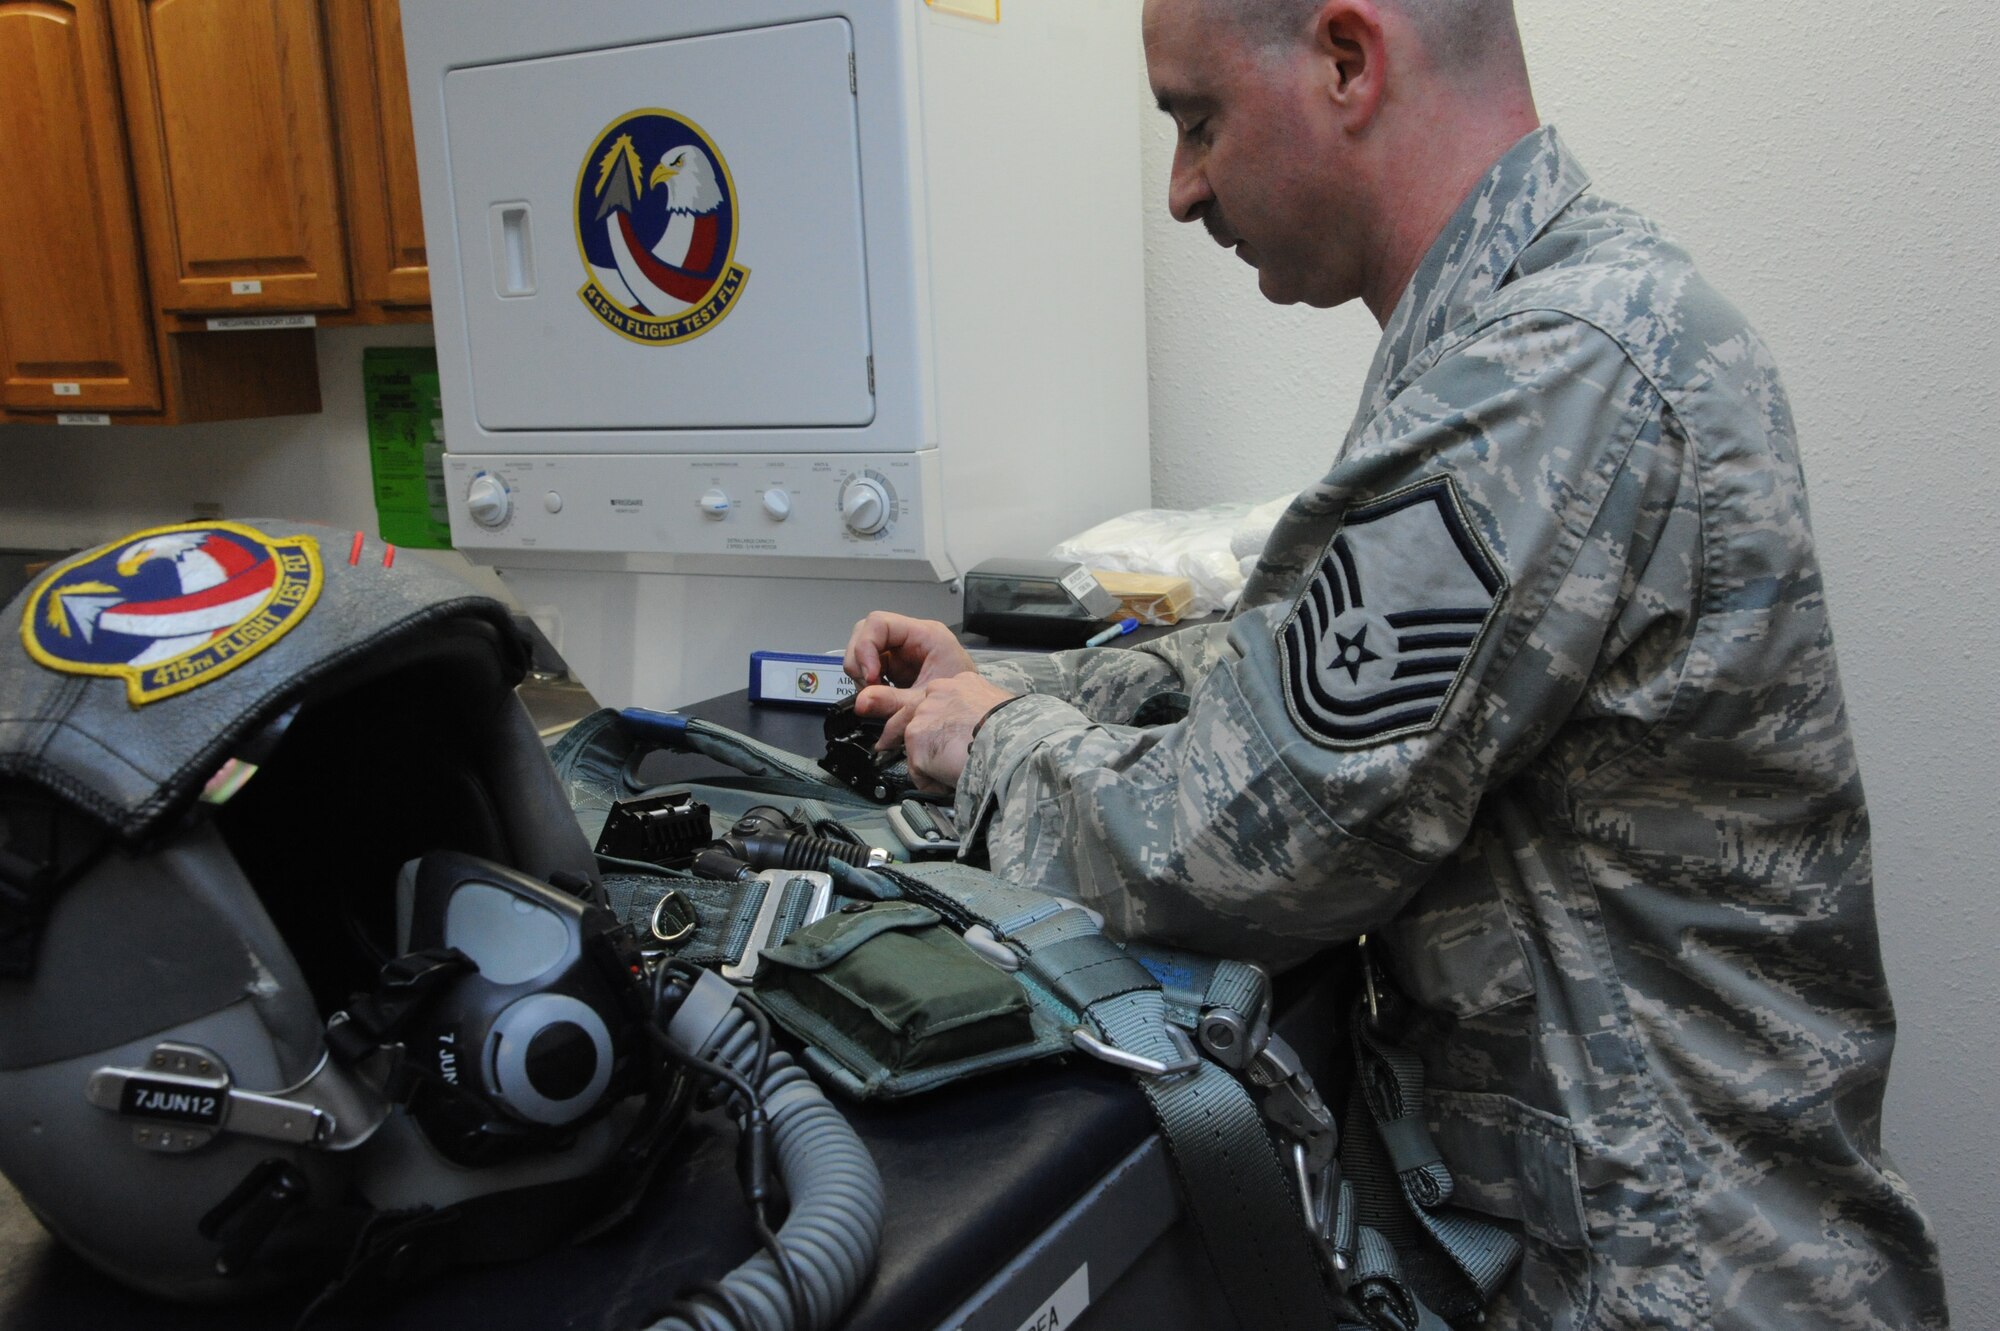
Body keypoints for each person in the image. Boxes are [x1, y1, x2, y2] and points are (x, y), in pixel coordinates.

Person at [847, 0, 1949, 1327]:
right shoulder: (1542, 333)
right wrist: (1027, 691)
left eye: (1199, 121)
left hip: (1664, 1286)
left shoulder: (1552, 374)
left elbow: (1241, 843)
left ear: (1345, 61)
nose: (1185, 189)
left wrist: (988, 749)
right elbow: (1301, 653)